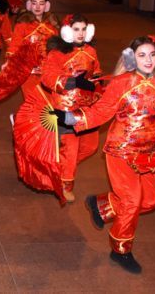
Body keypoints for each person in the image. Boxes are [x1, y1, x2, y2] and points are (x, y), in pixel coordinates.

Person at [53, 35, 155, 273]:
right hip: (120, 151)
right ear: (132, 58)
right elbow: (100, 112)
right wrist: (70, 118)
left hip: (149, 155)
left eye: (152, 55)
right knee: (132, 201)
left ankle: (102, 205)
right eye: (142, 55)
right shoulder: (122, 83)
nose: (148, 60)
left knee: (149, 201)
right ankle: (121, 250)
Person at [40, 14, 101, 202]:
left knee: (91, 146)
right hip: (65, 107)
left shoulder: (91, 51)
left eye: (83, 29)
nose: (80, 33)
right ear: (67, 31)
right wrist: (74, 81)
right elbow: (47, 78)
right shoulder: (57, 53)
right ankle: (65, 185)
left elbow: (97, 71)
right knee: (70, 150)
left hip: (87, 108)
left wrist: (97, 83)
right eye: (76, 29)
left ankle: (59, 168)